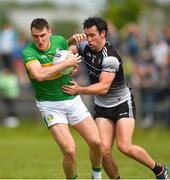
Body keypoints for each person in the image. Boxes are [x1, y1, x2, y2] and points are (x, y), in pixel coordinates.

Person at [63, 16, 169, 179]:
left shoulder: (110, 57)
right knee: (103, 151)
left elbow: (104, 87)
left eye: (92, 35)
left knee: (124, 146)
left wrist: (80, 89)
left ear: (103, 33)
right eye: (86, 35)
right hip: (102, 108)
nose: (88, 40)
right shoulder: (85, 46)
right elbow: (64, 51)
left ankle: (159, 170)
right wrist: (71, 42)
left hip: (122, 105)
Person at [22, 18, 102, 179]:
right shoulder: (29, 52)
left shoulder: (59, 40)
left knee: (96, 143)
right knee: (70, 150)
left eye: (43, 35)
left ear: (50, 32)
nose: (40, 40)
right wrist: (66, 64)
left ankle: (96, 176)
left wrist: (71, 62)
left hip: (72, 99)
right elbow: (39, 75)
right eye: (35, 36)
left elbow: (64, 55)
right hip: (50, 106)